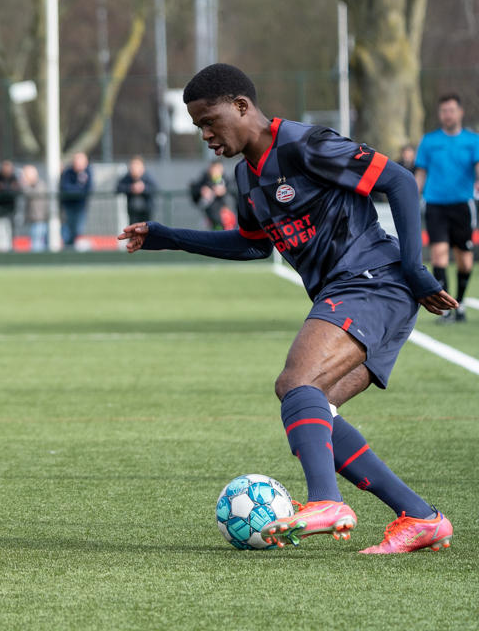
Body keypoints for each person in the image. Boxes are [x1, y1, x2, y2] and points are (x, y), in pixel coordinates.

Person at [120, 63, 457, 554]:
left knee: (296, 383)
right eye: (197, 126)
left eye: (210, 121)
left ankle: (326, 501)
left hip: (372, 279)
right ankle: (420, 516)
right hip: (355, 291)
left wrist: (415, 268)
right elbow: (252, 244)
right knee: (316, 409)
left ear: (242, 106)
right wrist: (166, 236)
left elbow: (399, 180)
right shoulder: (246, 175)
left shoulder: (305, 145)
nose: (205, 134)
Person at [414, 94, 479, 323]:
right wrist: (410, 197)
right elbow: (420, 173)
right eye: (443, 111)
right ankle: (447, 309)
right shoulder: (429, 141)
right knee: (439, 254)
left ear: (460, 112)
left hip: (462, 205)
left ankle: (459, 304)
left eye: (451, 110)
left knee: (465, 261)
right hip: (435, 205)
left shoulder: (473, 140)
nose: (447, 114)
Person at [190, 160, 236, 230]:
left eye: (217, 169)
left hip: (227, 217)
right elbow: (194, 191)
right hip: (211, 217)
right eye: (214, 169)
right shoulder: (204, 180)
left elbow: (235, 191)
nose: (215, 172)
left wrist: (224, 191)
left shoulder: (227, 181)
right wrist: (202, 191)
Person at [60, 152, 93, 247]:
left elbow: (88, 189)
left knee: (78, 229)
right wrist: (78, 190)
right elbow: (66, 188)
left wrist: (77, 191)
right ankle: (68, 247)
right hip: (69, 206)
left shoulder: (88, 172)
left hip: (81, 206)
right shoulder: (68, 173)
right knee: (68, 229)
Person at [116, 156, 159, 224]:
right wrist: (131, 188)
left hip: (146, 210)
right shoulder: (128, 178)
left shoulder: (147, 177)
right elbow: (118, 188)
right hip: (132, 211)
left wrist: (143, 188)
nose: (134, 168)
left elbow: (154, 188)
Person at [21, 164, 48, 251]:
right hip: (32, 219)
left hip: (39, 219)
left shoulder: (40, 185)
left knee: (37, 244)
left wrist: (25, 184)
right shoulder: (32, 186)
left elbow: (31, 194)